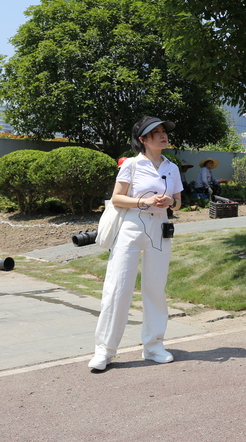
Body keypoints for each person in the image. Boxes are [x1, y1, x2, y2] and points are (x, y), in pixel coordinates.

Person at [88, 116, 183, 371]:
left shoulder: (171, 168)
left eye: (164, 131)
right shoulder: (131, 165)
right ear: (143, 139)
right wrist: (145, 202)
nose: (163, 135)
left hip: (161, 227)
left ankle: (154, 346)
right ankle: (104, 351)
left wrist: (169, 203)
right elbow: (117, 198)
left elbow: (178, 201)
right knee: (117, 288)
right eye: (156, 133)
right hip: (131, 226)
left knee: (155, 288)